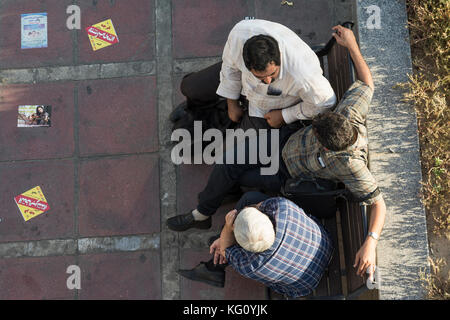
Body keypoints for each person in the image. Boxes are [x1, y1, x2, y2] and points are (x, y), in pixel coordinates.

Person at [168, 25, 386, 279]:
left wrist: (371, 242)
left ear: (325, 147)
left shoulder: (352, 166)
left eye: (314, 134)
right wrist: (352, 45)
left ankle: (221, 248)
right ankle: (202, 213)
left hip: (286, 174)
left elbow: (378, 203)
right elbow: (367, 83)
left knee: (244, 184)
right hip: (281, 140)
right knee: (230, 163)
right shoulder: (349, 114)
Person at [170, 19, 336, 131]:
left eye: (272, 74)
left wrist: (286, 115)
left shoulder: (304, 76)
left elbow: (325, 102)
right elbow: (230, 67)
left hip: (270, 106)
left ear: (278, 58)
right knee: (189, 87)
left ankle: (211, 122)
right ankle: (199, 111)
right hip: (244, 85)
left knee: (237, 149)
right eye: (260, 77)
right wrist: (231, 102)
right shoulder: (240, 34)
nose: (268, 81)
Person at [178, 191, 334, 298]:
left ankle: (212, 268)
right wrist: (226, 235)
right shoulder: (282, 207)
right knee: (249, 198)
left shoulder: (250, 265)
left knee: (219, 243)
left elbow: (226, 250)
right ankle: (212, 268)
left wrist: (226, 229)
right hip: (325, 244)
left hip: (305, 285)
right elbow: (255, 206)